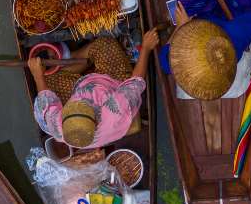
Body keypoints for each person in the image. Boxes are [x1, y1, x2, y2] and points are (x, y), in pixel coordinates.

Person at [29, 28, 158, 149]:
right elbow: (136, 82)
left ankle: (76, 57)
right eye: (82, 104)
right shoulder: (116, 110)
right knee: (105, 44)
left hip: (85, 86)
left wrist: (37, 75)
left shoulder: (57, 127)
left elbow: (44, 102)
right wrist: (146, 48)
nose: (77, 100)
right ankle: (82, 58)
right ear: (96, 118)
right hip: (112, 84)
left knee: (49, 80)